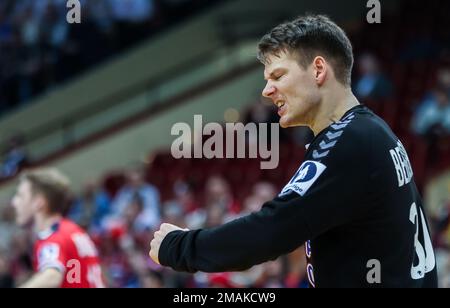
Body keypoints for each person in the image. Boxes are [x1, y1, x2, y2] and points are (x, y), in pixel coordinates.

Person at [149, 14, 437, 288]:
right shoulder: (370, 130)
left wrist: (179, 246)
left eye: (278, 75)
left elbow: (271, 231)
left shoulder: (347, 142)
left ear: (318, 70)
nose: (267, 90)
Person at [11, 168, 105, 288]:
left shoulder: (53, 237)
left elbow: (52, 276)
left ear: (38, 202)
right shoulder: (72, 229)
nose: (14, 202)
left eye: (20, 196)